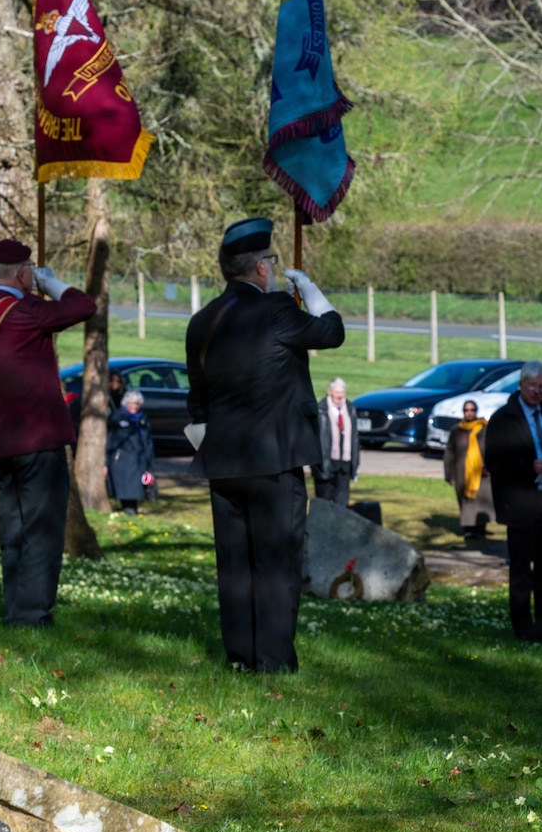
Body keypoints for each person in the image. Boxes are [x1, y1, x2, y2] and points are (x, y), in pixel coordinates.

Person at [185, 217, 345, 673]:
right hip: (274, 461)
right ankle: (274, 661)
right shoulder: (274, 309)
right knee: (276, 564)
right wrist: (310, 291)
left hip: (222, 461)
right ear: (259, 267)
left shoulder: (202, 321)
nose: (274, 268)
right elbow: (331, 332)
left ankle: (240, 656)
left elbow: (197, 400)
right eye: (272, 262)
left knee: (234, 565)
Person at [0, 239, 96, 627]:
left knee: (13, 531)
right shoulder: (29, 310)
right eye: (30, 267)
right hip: (40, 439)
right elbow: (84, 305)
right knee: (42, 532)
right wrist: (53, 285)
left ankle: (15, 607)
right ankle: (31, 616)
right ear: (21, 272)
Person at [484, 361, 542, 644]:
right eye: (532, 385)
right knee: (522, 570)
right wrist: (529, 466)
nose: (537, 391)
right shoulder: (504, 418)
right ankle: (524, 631)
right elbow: (496, 461)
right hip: (521, 504)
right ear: (521, 385)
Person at [443, 399, 494, 543]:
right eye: (466, 410)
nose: (469, 413)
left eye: (472, 410)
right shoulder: (457, 430)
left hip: (481, 473)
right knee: (466, 503)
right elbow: (449, 453)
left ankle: (480, 530)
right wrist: (449, 475)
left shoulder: (484, 428)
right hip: (462, 473)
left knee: (481, 502)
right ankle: (468, 530)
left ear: (476, 411)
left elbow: (492, 448)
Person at [106, 390, 156, 515]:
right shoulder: (117, 418)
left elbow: (148, 441)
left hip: (140, 460)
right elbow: (110, 441)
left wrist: (150, 463)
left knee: (137, 488)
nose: (134, 406)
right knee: (127, 489)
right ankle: (129, 512)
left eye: (137, 404)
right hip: (123, 461)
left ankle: (131, 511)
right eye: (132, 403)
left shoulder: (143, 419)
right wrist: (105, 462)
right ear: (126, 403)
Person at [312, 377, 359, 505]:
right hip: (326, 461)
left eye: (342, 392)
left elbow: (355, 438)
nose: (339, 395)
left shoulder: (350, 409)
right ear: (330, 392)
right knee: (324, 501)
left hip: (345, 462)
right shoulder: (321, 410)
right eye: (337, 392)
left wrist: (355, 463)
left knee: (341, 501)